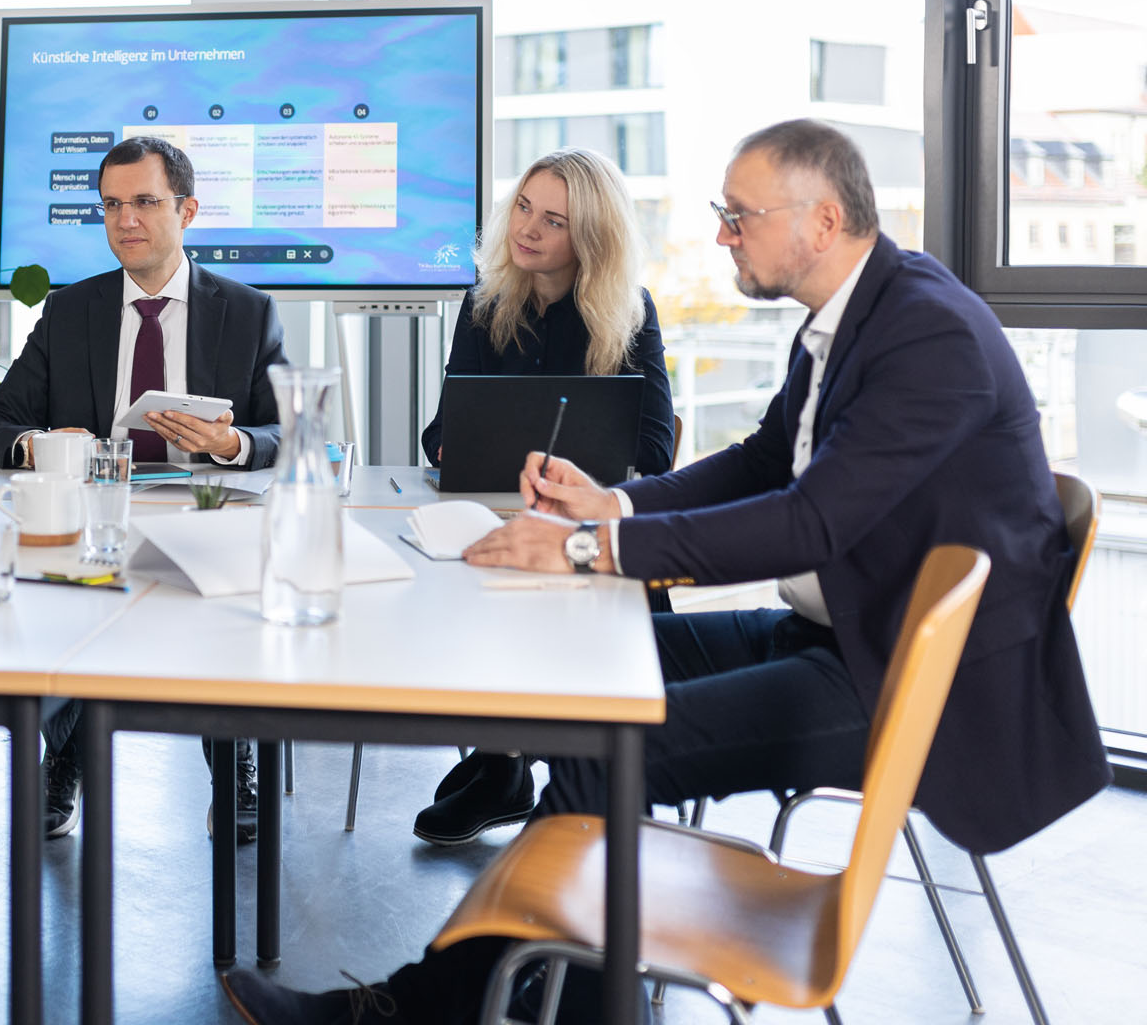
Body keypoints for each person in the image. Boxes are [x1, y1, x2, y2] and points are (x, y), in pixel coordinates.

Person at [220, 119, 1110, 1024]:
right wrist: (616, 507)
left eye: (740, 215)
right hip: (833, 632)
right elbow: (764, 460)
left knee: (606, 747)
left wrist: (584, 548)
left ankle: (434, 1008)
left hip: (896, 680)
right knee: (583, 698)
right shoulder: (855, 316)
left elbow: (808, 522)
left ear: (823, 219)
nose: (723, 234)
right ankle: (551, 991)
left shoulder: (927, 336)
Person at [0, 135, 290, 842]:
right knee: (77, 594)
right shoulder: (72, 311)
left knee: (221, 608)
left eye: (144, 202)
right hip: (96, 519)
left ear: (187, 209)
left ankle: (233, 769)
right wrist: (38, 445)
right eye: (111, 205)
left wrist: (233, 444)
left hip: (204, 515)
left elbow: (293, 434)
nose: (125, 220)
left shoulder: (247, 312)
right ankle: (67, 759)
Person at [414, 147, 674, 848]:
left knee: (530, 581)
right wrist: (450, 447)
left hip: (589, 532)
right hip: (502, 519)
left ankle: (545, 776)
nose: (527, 229)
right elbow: (440, 432)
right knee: (470, 573)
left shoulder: (628, 313)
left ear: (587, 237)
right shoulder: (484, 304)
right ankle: (504, 769)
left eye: (552, 220)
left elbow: (652, 455)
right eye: (523, 208)